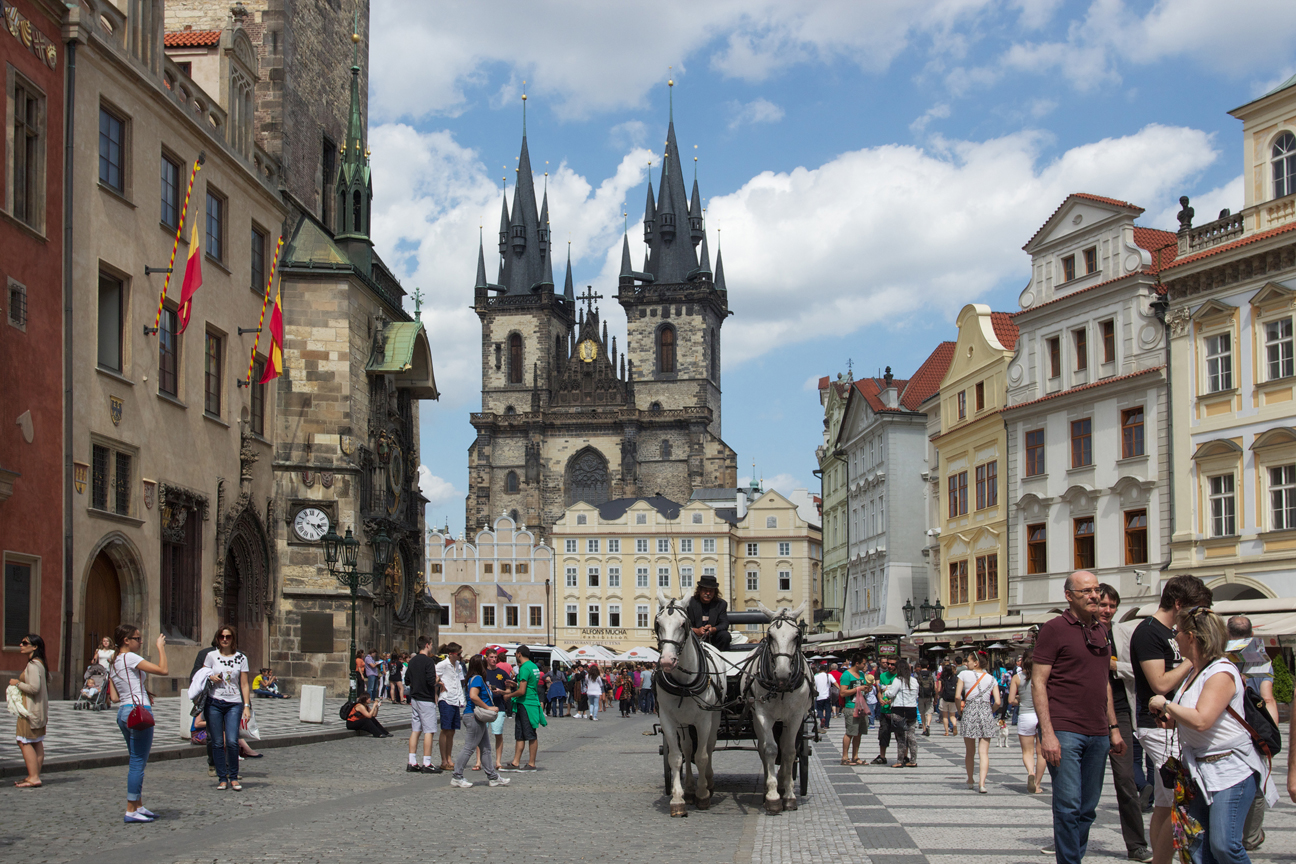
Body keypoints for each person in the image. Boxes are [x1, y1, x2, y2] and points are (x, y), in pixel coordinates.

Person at [1148, 607, 1278, 864]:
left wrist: (1166, 704)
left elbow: (1202, 720)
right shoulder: (1194, 672)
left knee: (1225, 845)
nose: (1174, 637)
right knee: (1197, 848)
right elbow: (1191, 716)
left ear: (1192, 636)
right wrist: (1170, 717)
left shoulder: (1220, 672)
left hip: (1231, 770)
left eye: (1178, 632)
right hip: (1200, 772)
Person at [1033, 570, 1125, 864]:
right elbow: (1038, 682)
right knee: (1068, 805)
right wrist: (1047, 733)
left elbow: (1104, 683)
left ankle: (1074, 856)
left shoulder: (1100, 630)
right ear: (1069, 596)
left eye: (1096, 590)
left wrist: (1113, 728)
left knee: (1088, 807)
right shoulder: (1054, 629)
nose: (1094, 595)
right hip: (1065, 728)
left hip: (1098, 731)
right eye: (1086, 591)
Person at [1130, 574, 1213, 864]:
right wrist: (1194, 657)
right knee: (1180, 799)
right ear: (1178, 604)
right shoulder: (1149, 632)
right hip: (1157, 726)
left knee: (1166, 804)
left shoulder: (1173, 632)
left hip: (1177, 724)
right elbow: (1160, 684)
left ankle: (1160, 860)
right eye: (1193, 609)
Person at [1098, 584, 1153, 862]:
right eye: (1103, 605)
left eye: (1112, 605)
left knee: (1126, 781)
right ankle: (1069, 838)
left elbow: (1143, 670)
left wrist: (1115, 666)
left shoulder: (1126, 634)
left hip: (1120, 713)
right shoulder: (1081, 634)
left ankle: (1136, 844)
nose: (1107, 610)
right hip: (1087, 715)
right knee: (1083, 786)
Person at [1226, 615, 1279, 853]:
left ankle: (1229, 833)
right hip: (1254, 730)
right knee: (1257, 786)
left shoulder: (1221, 657)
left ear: (1228, 633)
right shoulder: (1260, 659)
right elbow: (1267, 697)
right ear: (1251, 634)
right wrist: (1271, 737)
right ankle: (1251, 837)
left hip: (1227, 728)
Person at [106, 624, 168, 822]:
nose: (140, 642)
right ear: (127, 640)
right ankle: (131, 809)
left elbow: (114, 697)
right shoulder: (130, 657)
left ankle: (138, 805)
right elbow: (163, 670)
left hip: (124, 712)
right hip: (138, 711)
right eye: (138, 639)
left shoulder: (114, 661)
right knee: (137, 763)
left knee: (135, 758)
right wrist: (160, 647)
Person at [450, 654, 510, 788]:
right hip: (473, 716)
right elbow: (473, 696)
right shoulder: (477, 678)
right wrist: (488, 707)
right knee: (469, 747)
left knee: (486, 749)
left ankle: (493, 777)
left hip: (475, 716)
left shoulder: (473, 678)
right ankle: (457, 776)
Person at [203, 625, 251, 791]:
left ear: (233, 639)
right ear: (218, 638)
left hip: (234, 703)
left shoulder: (240, 658)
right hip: (214, 701)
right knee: (216, 742)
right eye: (222, 636)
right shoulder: (211, 656)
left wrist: (246, 706)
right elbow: (202, 677)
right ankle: (222, 778)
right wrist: (211, 677)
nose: (224, 639)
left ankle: (233, 776)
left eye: (228, 637)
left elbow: (244, 684)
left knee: (231, 741)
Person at [956, 650, 1001, 792]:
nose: (966, 663)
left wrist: (959, 711)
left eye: (968, 661)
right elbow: (998, 702)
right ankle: (982, 783)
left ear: (975, 663)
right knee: (984, 752)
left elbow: (958, 696)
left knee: (970, 751)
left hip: (969, 710)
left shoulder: (963, 674)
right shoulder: (991, 678)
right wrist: (990, 711)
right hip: (986, 711)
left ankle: (970, 779)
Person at [10, 633, 49, 788]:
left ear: (35, 647)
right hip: (39, 710)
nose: (21, 645)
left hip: (30, 710)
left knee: (23, 741)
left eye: (25, 643)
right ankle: (34, 774)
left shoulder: (33, 665)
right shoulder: (41, 664)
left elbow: (34, 688)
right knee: (36, 741)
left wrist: (17, 683)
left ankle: (34, 777)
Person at [503, 643, 547, 770]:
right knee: (520, 734)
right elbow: (529, 686)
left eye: (516, 654)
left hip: (526, 704)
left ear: (519, 654)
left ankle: (531, 763)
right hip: (532, 702)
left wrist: (509, 695)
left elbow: (522, 691)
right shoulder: (534, 666)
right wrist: (515, 684)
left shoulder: (524, 668)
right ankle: (516, 762)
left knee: (530, 734)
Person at [1008, 648, 1045, 794]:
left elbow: (1011, 700)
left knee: (1027, 752)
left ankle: (1031, 772)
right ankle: (1037, 784)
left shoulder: (1017, 678)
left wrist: (1020, 700)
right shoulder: (1043, 676)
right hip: (1041, 715)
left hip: (1025, 716)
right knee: (1041, 753)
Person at [405, 636, 441, 773]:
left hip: (414, 698)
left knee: (415, 730)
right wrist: (438, 679)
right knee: (429, 731)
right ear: (427, 645)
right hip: (426, 699)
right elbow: (432, 680)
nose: (431, 647)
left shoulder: (412, 661)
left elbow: (407, 679)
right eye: (431, 644)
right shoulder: (428, 661)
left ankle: (412, 761)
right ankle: (427, 762)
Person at [478, 649, 512, 771]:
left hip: (499, 707)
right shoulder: (482, 673)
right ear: (486, 658)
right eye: (491, 657)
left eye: (495, 657)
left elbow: (509, 690)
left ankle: (498, 761)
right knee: (481, 734)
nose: (493, 659)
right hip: (484, 707)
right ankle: (478, 761)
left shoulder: (502, 673)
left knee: (498, 734)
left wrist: (501, 691)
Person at [435, 643, 466, 770]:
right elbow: (433, 676)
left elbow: (459, 682)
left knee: (452, 731)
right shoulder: (442, 665)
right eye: (459, 654)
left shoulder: (458, 665)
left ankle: (449, 757)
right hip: (446, 699)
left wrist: (461, 699)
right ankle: (443, 760)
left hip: (455, 699)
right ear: (451, 654)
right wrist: (440, 683)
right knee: (445, 729)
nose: (460, 656)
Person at [884, 658, 919, 767]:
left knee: (901, 737)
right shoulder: (914, 681)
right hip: (912, 710)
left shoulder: (898, 680)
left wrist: (886, 690)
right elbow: (916, 695)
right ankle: (913, 760)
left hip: (900, 710)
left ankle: (900, 761)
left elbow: (890, 694)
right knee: (912, 736)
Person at [685, 573, 731, 649]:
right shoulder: (690, 603)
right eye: (705, 590)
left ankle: (721, 658)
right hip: (693, 636)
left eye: (711, 591)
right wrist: (696, 630)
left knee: (725, 636)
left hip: (713, 637)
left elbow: (724, 623)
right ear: (699, 591)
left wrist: (713, 629)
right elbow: (683, 623)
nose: (708, 593)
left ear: (715, 592)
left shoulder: (721, 604)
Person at [839, 653, 866, 765]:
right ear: (857, 663)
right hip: (851, 706)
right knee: (850, 732)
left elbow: (862, 689)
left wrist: (866, 689)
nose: (865, 666)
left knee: (859, 732)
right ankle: (845, 757)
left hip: (862, 706)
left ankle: (855, 756)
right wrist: (858, 689)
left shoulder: (861, 674)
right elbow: (843, 692)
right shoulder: (846, 675)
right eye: (863, 664)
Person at [871, 656, 896, 764]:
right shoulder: (882, 676)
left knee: (901, 734)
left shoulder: (900, 677)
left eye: (892, 664)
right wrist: (880, 699)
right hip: (884, 710)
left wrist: (892, 701)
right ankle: (882, 756)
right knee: (883, 733)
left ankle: (903, 756)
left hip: (896, 710)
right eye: (888, 663)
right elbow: (880, 690)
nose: (889, 666)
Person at [939, 662, 959, 735]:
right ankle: (954, 725)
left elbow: (939, 689)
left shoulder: (943, 678)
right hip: (953, 698)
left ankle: (946, 732)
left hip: (945, 698)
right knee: (952, 715)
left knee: (945, 716)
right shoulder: (956, 678)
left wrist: (938, 695)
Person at [916, 661, 935, 737]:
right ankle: (928, 725)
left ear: (920, 666)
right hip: (929, 695)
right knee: (929, 712)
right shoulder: (931, 674)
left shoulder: (918, 674)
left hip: (921, 696)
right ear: (927, 666)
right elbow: (934, 686)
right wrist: (935, 696)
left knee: (922, 713)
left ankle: (924, 728)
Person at [813, 664, 833, 732]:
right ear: (826, 670)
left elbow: (813, 685)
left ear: (819, 670)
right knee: (828, 710)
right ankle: (827, 725)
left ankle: (821, 718)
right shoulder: (829, 675)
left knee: (819, 709)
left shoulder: (816, 676)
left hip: (819, 696)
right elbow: (835, 683)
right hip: (827, 696)